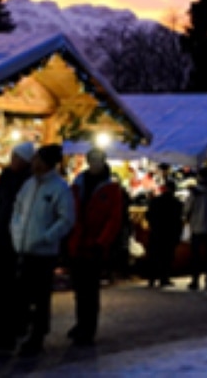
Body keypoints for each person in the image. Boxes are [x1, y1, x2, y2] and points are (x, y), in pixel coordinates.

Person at [9, 144, 75, 357]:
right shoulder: (29, 185)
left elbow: (66, 219)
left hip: (43, 253)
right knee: (21, 294)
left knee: (39, 296)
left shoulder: (59, 188)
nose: (35, 163)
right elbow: (17, 209)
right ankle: (19, 330)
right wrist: (16, 232)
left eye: (39, 159)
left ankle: (37, 335)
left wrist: (46, 238)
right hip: (23, 248)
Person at [67, 148, 124, 346]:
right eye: (92, 160)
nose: (95, 163)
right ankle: (80, 322)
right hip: (78, 243)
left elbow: (114, 219)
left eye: (98, 160)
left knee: (89, 290)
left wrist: (102, 242)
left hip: (94, 245)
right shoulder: (78, 184)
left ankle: (87, 327)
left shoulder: (111, 189)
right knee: (79, 288)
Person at [0, 141, 34, 348]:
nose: (13, 161)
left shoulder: (28, 181)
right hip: (3, 231)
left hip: (16, 235)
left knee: (10, 283)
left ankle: (9, 325)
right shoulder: (9, 176)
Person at [183, 166, 207, 290]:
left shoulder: (195, 192)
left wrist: (186, 217)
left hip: (197, 228)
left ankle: (195, 280)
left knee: (196, 256)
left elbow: (187, 208)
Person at [145, 178, 183, 287]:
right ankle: (164, 278)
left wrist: (153, 225)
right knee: (167, 257)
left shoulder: (155, 201)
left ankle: (151, 279)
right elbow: (178, 220)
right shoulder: (177, 204)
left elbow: (148, 215)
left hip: (156, 232)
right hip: (169, 234)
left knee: (154, 256)